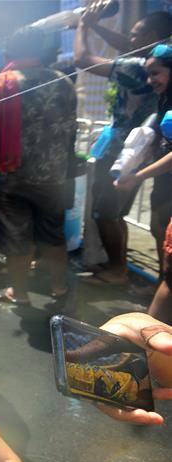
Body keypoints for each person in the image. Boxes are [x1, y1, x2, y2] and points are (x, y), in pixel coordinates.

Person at [0, 27, 77, 306]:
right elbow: (71, 129)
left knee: (15, 240)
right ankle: (59, 288)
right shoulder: (63, 82)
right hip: (53, 177)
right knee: (53, 235)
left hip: (9, 178)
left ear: (9, 54)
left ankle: (18, 294)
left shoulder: (0, 85)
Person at [74, 8, 172, 284]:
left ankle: (118, 270)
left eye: (134, 33)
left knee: (106, 213)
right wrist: (97, 25)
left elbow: (82, 58)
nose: (127, 38)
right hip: (143, 154)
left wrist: (84, 25)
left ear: (151, 36)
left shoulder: (139, 68)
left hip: (124, 153)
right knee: (123, 216)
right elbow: (130, 47)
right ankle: (127, 269)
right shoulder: (159, 64)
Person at [115, 45, 172, 268]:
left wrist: (138, 176)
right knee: (159, 232)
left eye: (155, 73)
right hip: (164, 183)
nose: (150, 81)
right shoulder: (165, 100)